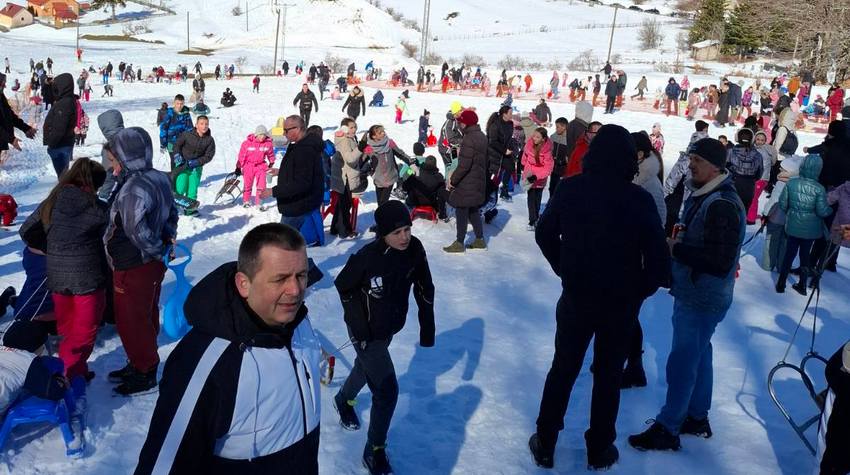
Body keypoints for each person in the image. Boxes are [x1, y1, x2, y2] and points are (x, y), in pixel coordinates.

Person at [529, 125, 670, 470]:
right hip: (618, 304)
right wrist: (639, 289)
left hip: (580, 296)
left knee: (563, 369)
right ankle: (599, 447)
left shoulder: (571, 188)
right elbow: (658, 258)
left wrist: (564, 267)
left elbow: (545, 232)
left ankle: (546, 440)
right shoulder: (638, 199)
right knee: (606, 376)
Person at [136, 223, 321, 473]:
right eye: (280, 279)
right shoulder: (206, 362)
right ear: (244, 284)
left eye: (301, 275)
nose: (296, 290)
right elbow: (163, 466)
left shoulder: (298, 322)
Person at [629, 138, 745, 452]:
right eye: (691, 158)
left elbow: (719, 262)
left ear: (716, 166)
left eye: (698, 161)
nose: (691, 164)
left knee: (682, 363)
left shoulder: (720, 203)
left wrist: (677, 248)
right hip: (700, 294)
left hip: (702, 297)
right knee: (699, 354)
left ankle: (669, 427)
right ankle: (696, 416)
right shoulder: (708, 195)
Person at [332, 201, 434, 475]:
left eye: (407, 229)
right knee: (387, 390)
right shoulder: (368, 256)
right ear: (382, 234)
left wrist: (427, 331)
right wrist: (359, 325)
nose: (404, 237)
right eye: (397, 232)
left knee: (365, 368)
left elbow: (425, 286)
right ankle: (375, 449)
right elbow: (344, 286)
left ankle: (344, 399)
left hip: (388, 327)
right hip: (364, 328)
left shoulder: (414, 250)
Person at [104, 127, 178, 395]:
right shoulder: (158, 177)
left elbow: (136, 230)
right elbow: (172, 213)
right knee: (145, 313)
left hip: (134, 264)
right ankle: (139, 361)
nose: (113, 169)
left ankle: (145, 370)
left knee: (131, 318)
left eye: (115, 162)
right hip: (149, 263)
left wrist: (156, 248)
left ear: (128, 157)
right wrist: (168, 239)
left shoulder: (134, 188)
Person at [40, 157, 108, 404]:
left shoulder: (53, 199)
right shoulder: (98, 209)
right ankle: (67, 374)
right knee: (85, 332)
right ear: (93, 184)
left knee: (68, 327)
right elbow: (107, 234)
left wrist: (52, 247)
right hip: (86, 277)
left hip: (57, 274)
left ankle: (76, 370)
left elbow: (28, 229)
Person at [775, 154, 833, 294]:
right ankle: (802, 284)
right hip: (810, 230)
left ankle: (781, 283)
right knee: (805, 256)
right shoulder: (819, 189)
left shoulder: (791, 183)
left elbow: (782, 205)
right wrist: (830, 209)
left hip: (793, 226)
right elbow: (822, 211)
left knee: (789, 254)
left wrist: (793, 211)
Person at [261, 115, 324, 230]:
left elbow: (302, 183)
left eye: (286, 130)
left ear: (298, 129)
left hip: (298, 205)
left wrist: (272, 191)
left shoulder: (305, 149)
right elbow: (302, 171)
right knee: (289, 241)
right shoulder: (300, 145)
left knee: (284, 242)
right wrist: (281, 172)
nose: (284, 133)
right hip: (298, 203)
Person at [444, 110, 487, 253]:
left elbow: (464, 165)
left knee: (461, 210)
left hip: (468, 182)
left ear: (466, 123)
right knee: (473, 210)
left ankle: (459, 242)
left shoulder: (469, 139)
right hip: (478, 180)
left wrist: (453, 181)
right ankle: (480, 239)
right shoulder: (481, 136)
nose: (459, 124)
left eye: (461, 122)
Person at [362, 124, 413, 209]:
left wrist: (410, 161)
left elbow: (400, 154)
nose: (383, 133)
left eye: (383, 131)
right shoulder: (369, 148)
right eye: (380, 132)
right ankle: (382, 220)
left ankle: (384, 221)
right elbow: (362, 162)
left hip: (390, 176)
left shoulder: (389, 143)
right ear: (374, 136)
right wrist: (371, 172)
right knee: (380, 203)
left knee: (383, 202)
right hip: (378, 178)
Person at [172, 116, 215, 210]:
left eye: (206, 124)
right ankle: (174, 209)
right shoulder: (187, 134)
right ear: (196, 125)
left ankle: (190, 210)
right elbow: (177, 145)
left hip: (196, 167)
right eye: (202, 124)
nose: (204, 126)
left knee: (192, 189)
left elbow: (209, 156)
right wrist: (177, 155)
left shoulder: (209, 140)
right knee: (180, 187)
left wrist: (197, 162)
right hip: (182, 165)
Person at [42, 73, 77, 178]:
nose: (54, 90)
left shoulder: (64, 104)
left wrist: (51, 144)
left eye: (56, 87)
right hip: (63, 143)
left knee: (63, 179)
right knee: (64, 176)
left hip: (60, 146)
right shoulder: (67, 100)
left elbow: (59, 128)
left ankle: (67, 193)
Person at [0, 72, 38, 163]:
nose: (5, 86)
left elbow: (10, 116)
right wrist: (11, 139)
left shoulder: (1, 96)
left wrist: (26, 128)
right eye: (3, 83)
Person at [522, 127, 553, 229]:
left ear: (543, 139)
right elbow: (525, 156)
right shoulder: (529, 144)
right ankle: (532, 220)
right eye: (534, 136)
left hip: (539, 178)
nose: (534, 138)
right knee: (530, 198)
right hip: (529, 175)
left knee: (537, 199)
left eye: (537, 137)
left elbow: (548, 168)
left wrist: (536, 176)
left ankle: (535, 218)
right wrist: (524, 166)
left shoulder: (547, 151)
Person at [726, 128, 764, 213]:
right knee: (743, 213)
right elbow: (760, 173)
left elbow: (724, 168)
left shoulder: (730, 152)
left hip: (732, 184)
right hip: (749, 186)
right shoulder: (758, 155)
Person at [236, 125, 275, 207]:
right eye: (260, 134)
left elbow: (270, 154)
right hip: (248, 166)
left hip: (261, 166)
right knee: (248, 184)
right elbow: (241, 155)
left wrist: (271, 162)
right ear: (256, 134)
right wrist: (238, 167)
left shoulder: (267, 144)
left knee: (261, 185)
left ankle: (259, 202)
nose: (262, 137)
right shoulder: (247, 143)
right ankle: (246, 201)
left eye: (264, 135)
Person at [158, 94, 194, 172]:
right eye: (177, 103)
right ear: (174, 103)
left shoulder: (186, 114)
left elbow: (190, 128)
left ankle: (182, 179)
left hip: (183, 142)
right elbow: (163, 129)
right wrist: (163, 144)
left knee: (183, 160)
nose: (179, 106)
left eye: (181, 104)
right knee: (175, 160)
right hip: (171, 143)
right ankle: (173, 179)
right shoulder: (169, 114)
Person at [486, 106, 514, 202]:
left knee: (510, 168)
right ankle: (489, 193)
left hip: (505, 153)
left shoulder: (510, 124)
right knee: (494, 175)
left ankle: (504, 189)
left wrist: (512, 147)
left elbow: (509, 138)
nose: (512, 115)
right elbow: (492, 142)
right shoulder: (495, 125)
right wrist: (504, 150)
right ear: (504, 114)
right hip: (495, 153)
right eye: (510, 113)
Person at [438, 104, 463, 168]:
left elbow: (459, 133)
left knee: (455, 166)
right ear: (456, 111)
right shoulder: (450, 122)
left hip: (453, 148)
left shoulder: (456, 120)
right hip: (446, 150)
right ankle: (448, 176)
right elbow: (450, 139)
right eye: (460, 110)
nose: (461, 112)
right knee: (450, 167)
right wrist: (463, 141)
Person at [550, 117, 569, 199]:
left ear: (564, 127)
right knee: (551, 188)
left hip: (563, 169)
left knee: (559, 190)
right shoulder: (553, 137)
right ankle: (550, 206)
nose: (556, 128)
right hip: (553, 168)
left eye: (558, 127)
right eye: (556, 126)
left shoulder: (569, 139)